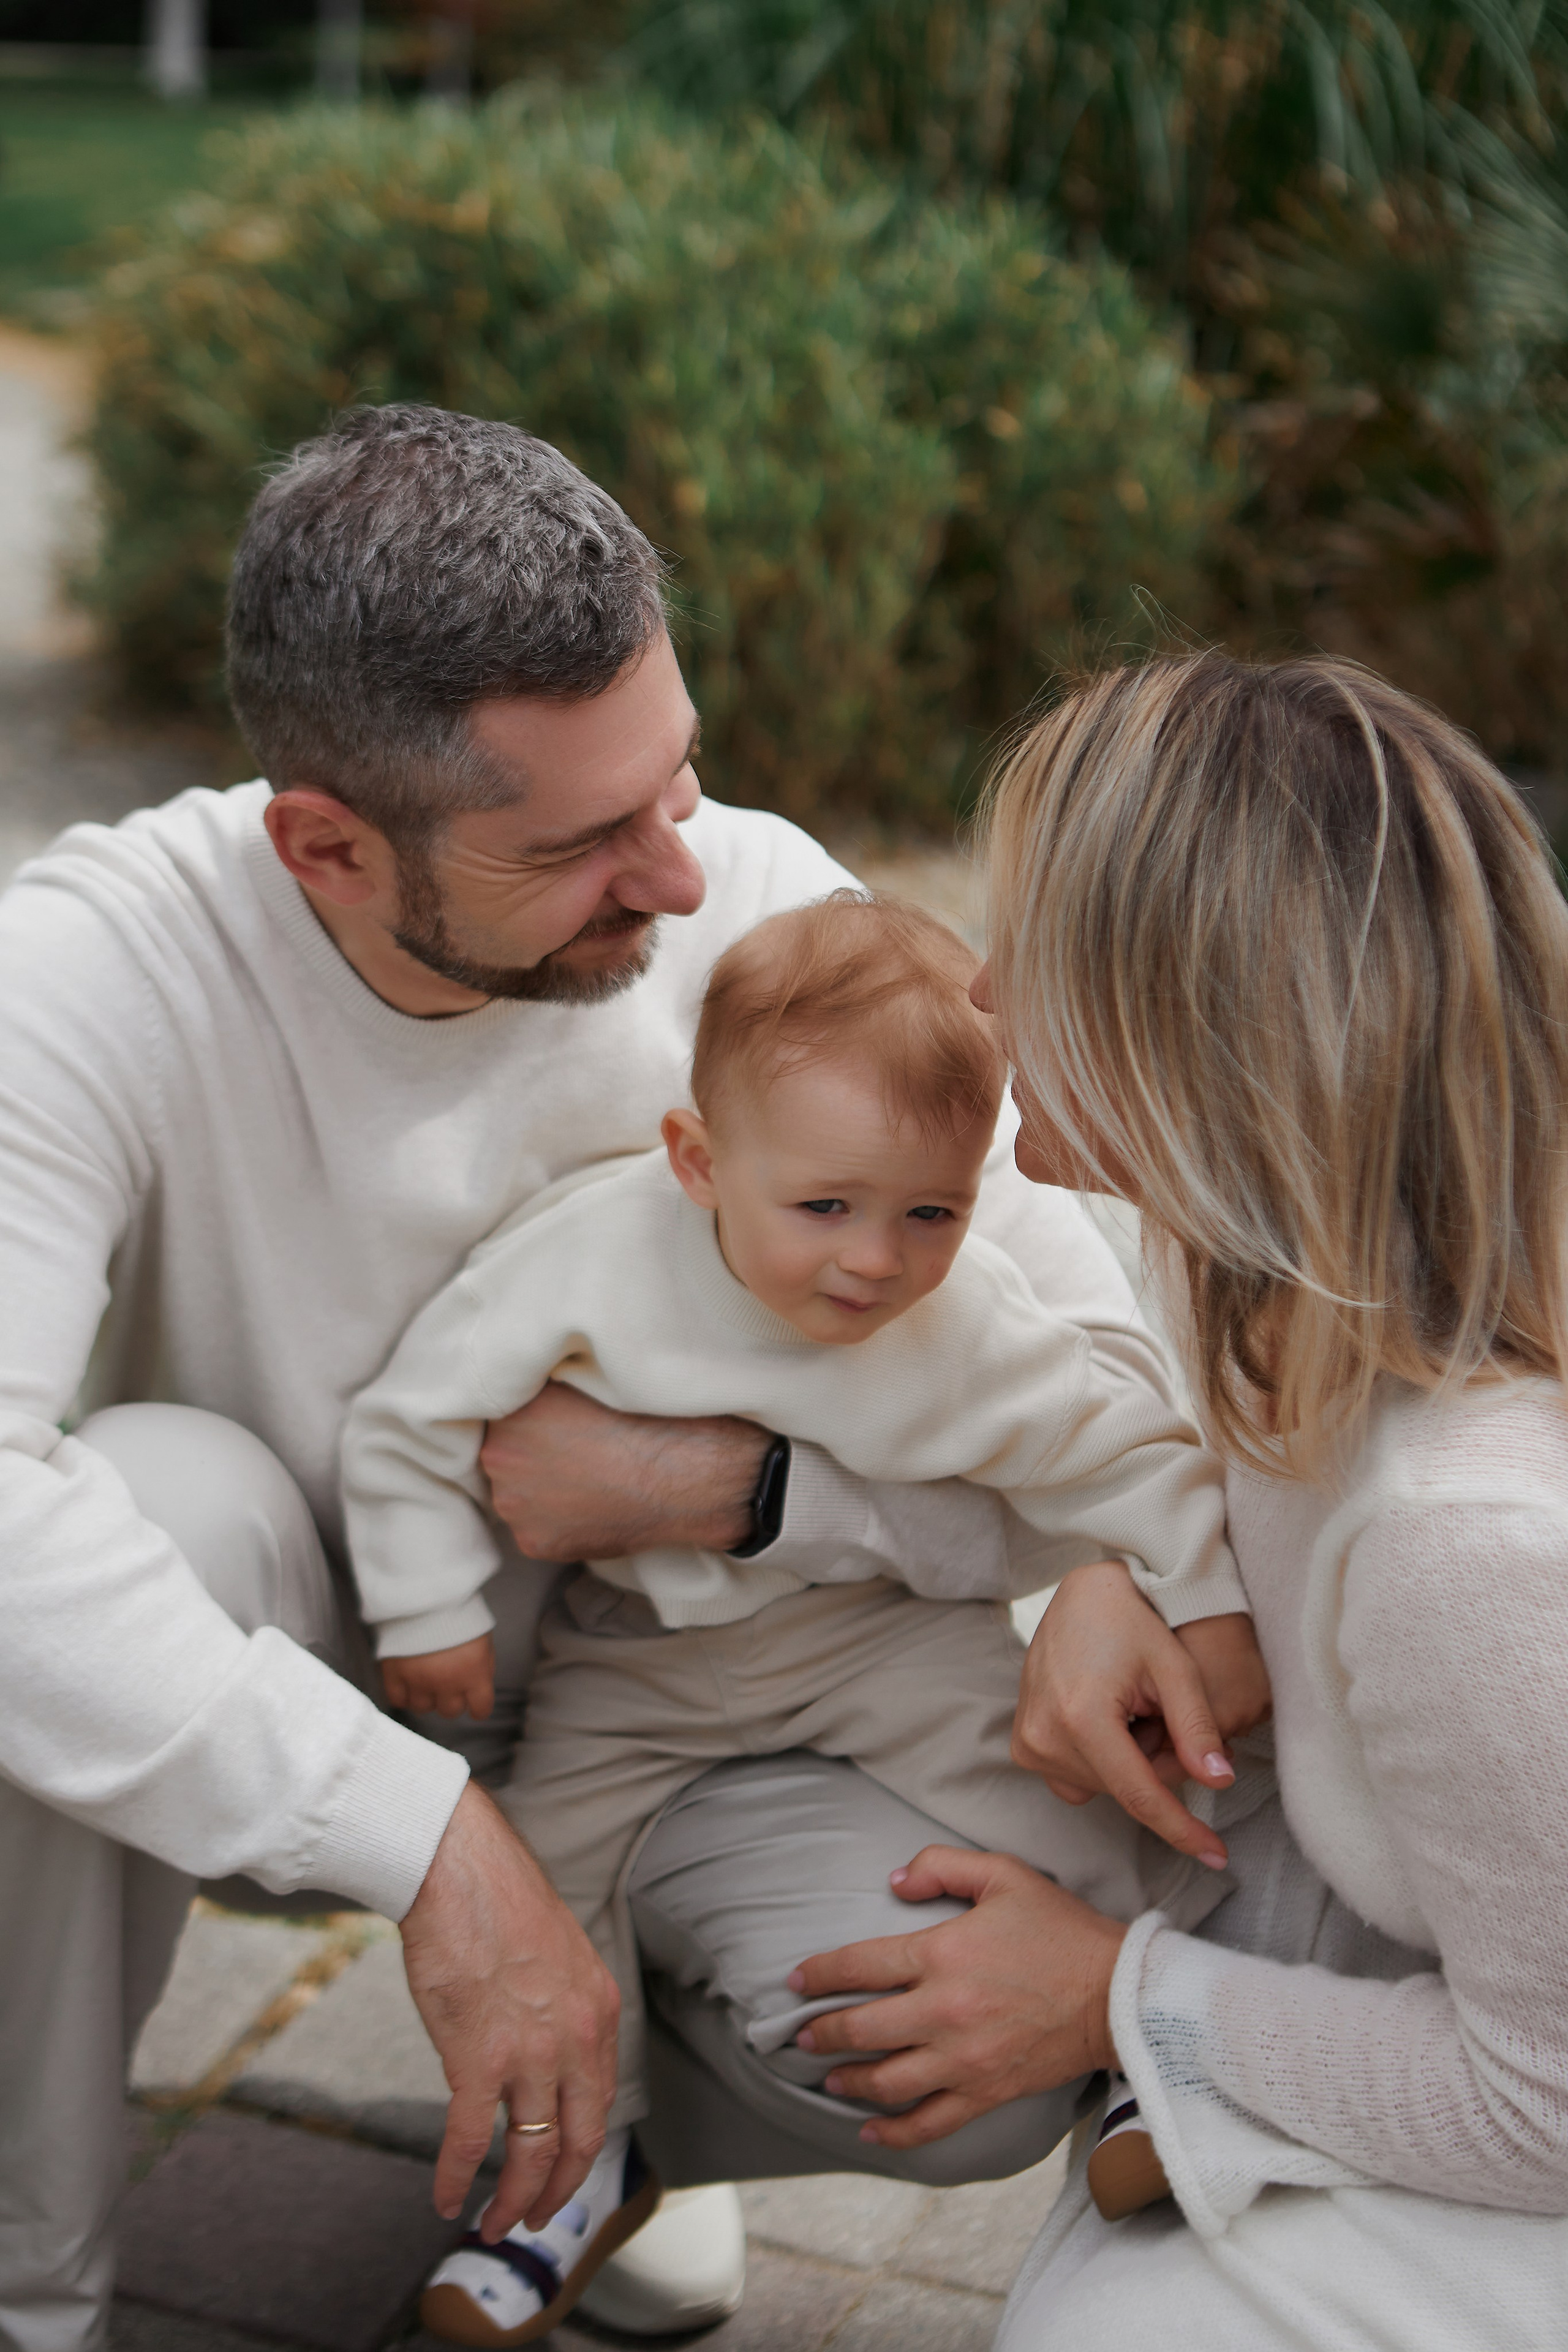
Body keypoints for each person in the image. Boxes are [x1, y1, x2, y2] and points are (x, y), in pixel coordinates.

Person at [0, 402, 1209, 2352]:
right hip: (307, 1675)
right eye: (576, 844)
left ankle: (619, 2144)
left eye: (681, 777)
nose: (676, 878)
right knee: (136, 1509)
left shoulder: (756, 907)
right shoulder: (89, 977)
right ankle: (29, 2290)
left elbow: (1087, 1354)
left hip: (710, 1705)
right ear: (325, 843)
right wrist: (419, 1838)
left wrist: (868, 1523)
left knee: (961, 2048)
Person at [786, 652, 1568, 2350]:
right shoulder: (1266, 1290)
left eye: (1033, 962)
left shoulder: (1472, 1535)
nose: (981, 1001)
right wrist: (1110, 1576)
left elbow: (1559, 2101)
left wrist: (1112, 2000)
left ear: (1189, 1038)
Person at [339, 891, 1245, 2345]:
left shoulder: (966, 1325)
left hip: (867, 1634)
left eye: (929, 1212)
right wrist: (423, 1602)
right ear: (698, 1162)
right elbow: (411, 1416)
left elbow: (1129, 1452)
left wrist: (1198, 1606)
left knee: (1042, 1790)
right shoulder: (593, 1254)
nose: (874, 1261)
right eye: (823, 1206)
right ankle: (582, 2156)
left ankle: (1159, 2044)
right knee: (542, 1866)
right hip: (638, 1655)